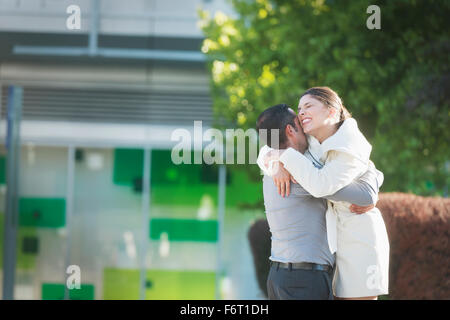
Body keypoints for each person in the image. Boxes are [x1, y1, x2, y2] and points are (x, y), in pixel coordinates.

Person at [258, 88, 390, 300]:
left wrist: (279, 155)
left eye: (308, 107)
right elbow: (272, 139)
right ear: (292, 131)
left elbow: (362, 188)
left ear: (331, 111)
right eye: (299, 111)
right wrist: (279, 157)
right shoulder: (305, 158)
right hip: (315, 265)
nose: (302, 114)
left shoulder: (338, 147)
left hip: (353, 242)